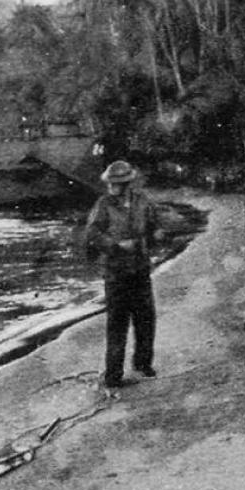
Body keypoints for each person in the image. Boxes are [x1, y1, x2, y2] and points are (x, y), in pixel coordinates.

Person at [85, 160, 163, 389]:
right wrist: (116, 245)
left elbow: (153, 223)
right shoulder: (103, 205)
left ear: (128, 184)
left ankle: (143, 363)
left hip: (140, 270)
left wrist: (156, 232)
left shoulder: (142, 201)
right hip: (116, 274)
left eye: (117, 184)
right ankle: (113, 375)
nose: (112, 187)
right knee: (117, 325)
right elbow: (92, 233)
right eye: (111, 184)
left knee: (146, 320)